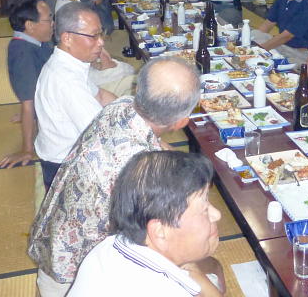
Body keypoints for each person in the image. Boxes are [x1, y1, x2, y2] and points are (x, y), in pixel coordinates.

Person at [28, 57, 201, 296]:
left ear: (138, 90)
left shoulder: (121, 107)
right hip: (76, 274)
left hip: (51, 241)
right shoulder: (144, 173)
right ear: (181, 123)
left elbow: (154, 143)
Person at [68, 151, 222, 296]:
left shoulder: (109, 246)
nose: (217, 214)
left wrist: (192, 271)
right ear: (160, 232)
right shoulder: (165, 291)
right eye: (204, 209)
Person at [33, 1, 117, 190]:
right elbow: (102, 134)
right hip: (65, 169)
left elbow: (101, 96)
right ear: (67, 38)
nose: (101, 42)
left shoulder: (68, 62)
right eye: (93, 36)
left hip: (69, 157)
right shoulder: (66, 81)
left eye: (101, 34)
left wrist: (134, 111)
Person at [49, 0, 135, 94]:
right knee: (128, 71)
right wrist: (99, 62)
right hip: (80, 70)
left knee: (122, 67)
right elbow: (78, 48)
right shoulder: (68, 8)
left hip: (84, 60)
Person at [0, 0, 54, 168]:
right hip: (50, 103)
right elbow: (28, 102)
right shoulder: (23, 53)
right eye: (49, 19)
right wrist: (27, 150)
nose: (53, 23)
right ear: (30, 25)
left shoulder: (36, 40)